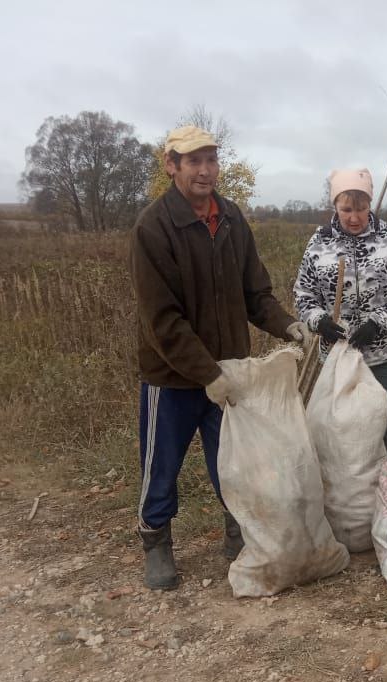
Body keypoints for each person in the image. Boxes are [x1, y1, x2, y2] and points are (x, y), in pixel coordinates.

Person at [127, 125, 310, 591]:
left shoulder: (229, 218)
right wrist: (206, 374)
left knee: (233, 461)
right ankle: (156, 539)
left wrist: (288, 325)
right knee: (161, 463)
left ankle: (239, 529)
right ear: (172, 166)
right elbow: (162, 318)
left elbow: (256, 294)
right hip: (171, 376)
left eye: (211, 159)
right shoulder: (154, 227)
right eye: (194, 161)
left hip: (230, 372)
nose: (205, 170)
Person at [294, 168, 387, 460]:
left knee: (380, 422)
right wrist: (319, 322)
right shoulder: (319, 242)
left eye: (361, 209)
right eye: (346, 209)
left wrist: (379, 323)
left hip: (382, 352)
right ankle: (347, 495)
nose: (354, 217)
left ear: (370, 205)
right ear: (334, 206)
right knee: (341, 424)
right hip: (336, 355)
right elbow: (303, 294)